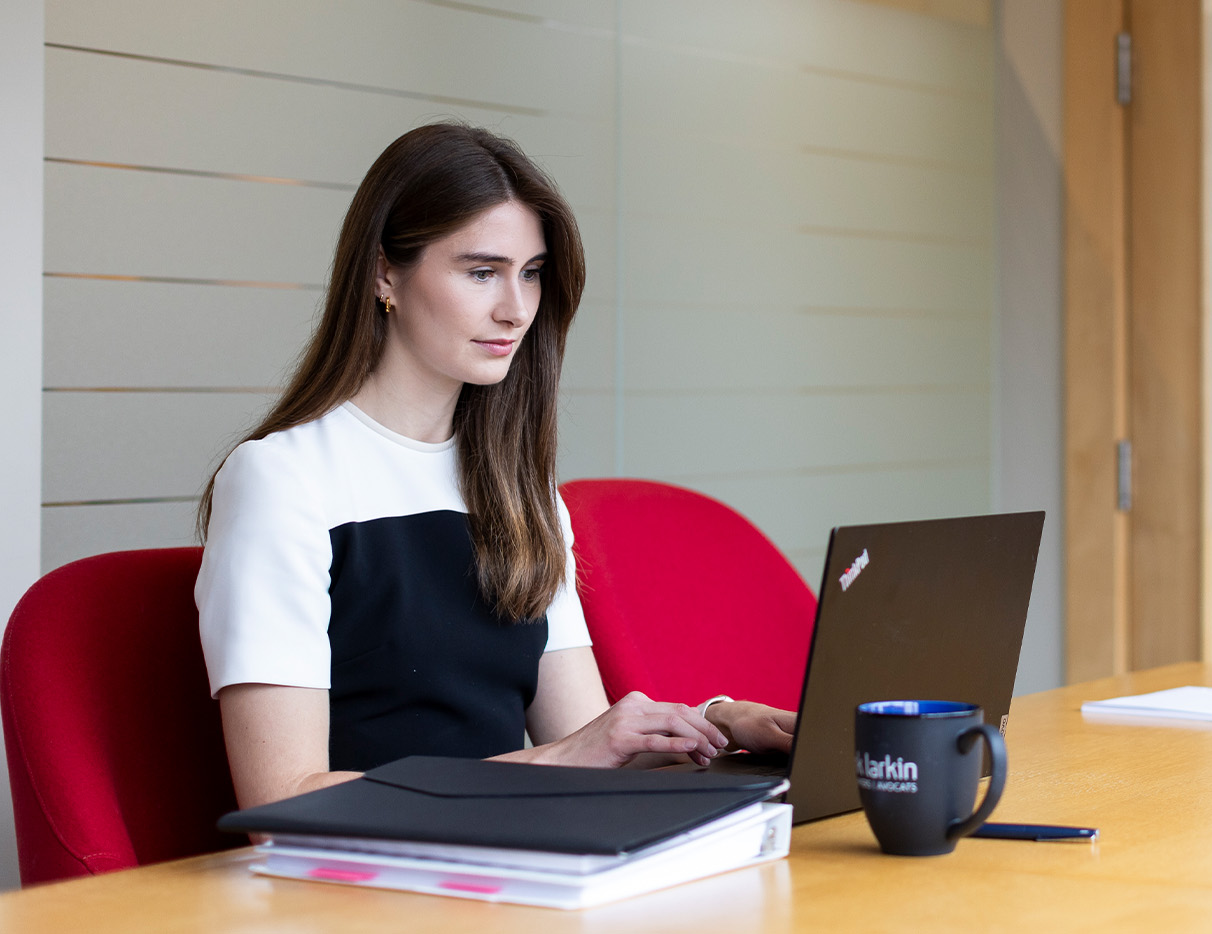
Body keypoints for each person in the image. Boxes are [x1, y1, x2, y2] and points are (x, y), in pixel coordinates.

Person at [195, 123, 796, 810]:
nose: (515, 310)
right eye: (481, 271)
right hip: (367, 886)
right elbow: (281, 802)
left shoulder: (521, 492)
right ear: (384, 273)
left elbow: (588, 744)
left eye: (531, 273)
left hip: (516, 852)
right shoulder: (282, 480)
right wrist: (560, 759)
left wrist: (718, 725)